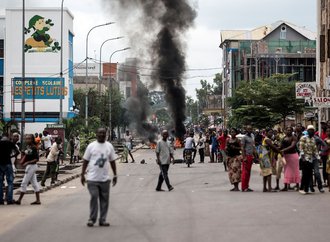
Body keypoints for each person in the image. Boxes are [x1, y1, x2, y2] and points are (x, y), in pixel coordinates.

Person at [81, 128, 117, 227]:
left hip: (105, 179)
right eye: (99, 133)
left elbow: (112, 161)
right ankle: (92, 219)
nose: (101, 134)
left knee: (104, 200)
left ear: (106, 135)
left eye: (103, 133)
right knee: (94, 196)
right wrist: (82, 174)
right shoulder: (91, 146)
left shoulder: (109, 146)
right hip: (92, 179)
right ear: (96, 134)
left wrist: (115, 175)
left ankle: (102, 219)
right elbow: (85, 161)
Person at [15, 134, 41, 205]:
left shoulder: (34, 148)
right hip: (30, 166)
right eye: (26, 139)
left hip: (31, 166)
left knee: (24, 183)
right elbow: (27, 155)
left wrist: (27, 162)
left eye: (29, 139)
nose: (27, 140)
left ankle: (19, 200)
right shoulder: (28, 147)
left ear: (32, 139)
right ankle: (38, 200)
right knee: (34, 183)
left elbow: (36, 159)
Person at [299, 125, 321, 195]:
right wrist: (303, 157)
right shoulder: (303, 138)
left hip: (310, 159)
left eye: (312, 130)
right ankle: (302, 188)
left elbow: (315, 150)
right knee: (305, 174)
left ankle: (306, 189)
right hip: (304, 159)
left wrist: (318, 158)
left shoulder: (313, 139)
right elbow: (301, 148)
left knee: (309, 174)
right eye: (310, 130)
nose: (311, 131)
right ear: (307, 131)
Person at [0, 136, 19, 205]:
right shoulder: (10, 143)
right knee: (10, 182)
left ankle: (0, 200)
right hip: (8, 163)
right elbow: (17, 152)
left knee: (0, 182)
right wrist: (11, 156)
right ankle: (9, 200)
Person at [280, 127, 300, 191]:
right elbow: (281, 146)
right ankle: (286, 186)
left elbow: (292, 146)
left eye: (290, 130)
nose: (288, 131)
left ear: (292, 131)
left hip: (293, 156)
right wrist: (275, 148)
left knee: (295, 170)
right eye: (287, 130)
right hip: (286, 156)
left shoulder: (294, 137)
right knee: (286, 171)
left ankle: (297, 185)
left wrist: (283, 150)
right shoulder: (284, 138)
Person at [241, 125, 256, 192]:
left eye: (251, 129)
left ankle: (247, 186)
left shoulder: (252, 136)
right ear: (246, 130)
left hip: (251, 155)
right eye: (248, 129)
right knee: (245, 172)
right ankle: (244, 187)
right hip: (246, 156)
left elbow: (253, 146)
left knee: (248, 172)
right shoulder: (244, 138)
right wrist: (244, 157)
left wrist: (255, 155)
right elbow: (242, 148)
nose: (250, 130)